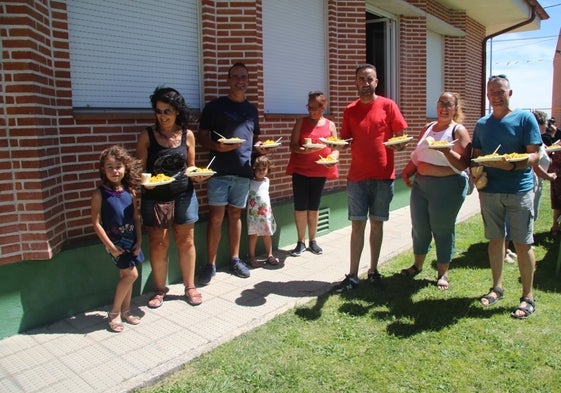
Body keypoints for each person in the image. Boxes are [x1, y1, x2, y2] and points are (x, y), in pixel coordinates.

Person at [334, 64, 408, 293]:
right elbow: (345, 140)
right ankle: (353, 275)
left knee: (377, 224)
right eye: (361, 80)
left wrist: (400, 144)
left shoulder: (388, 105)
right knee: (357, 225)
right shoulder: (350, 110)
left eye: (369, 79)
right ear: (355, 83)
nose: (365, 84)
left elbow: (401, 137)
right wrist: (333, 145)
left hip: (383, 175)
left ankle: (373, 270)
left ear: (376, 82)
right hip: (356, 177)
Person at [472, 74, 541, 319]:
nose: (496, 96)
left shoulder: (524, 118)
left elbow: (535, 155)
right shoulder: (482, 124)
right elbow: (477, 155)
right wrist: (474, 173)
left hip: (519, 190)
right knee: (495, 240)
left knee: (523, 243)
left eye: (500, 91)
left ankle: (528, 297)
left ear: (509, 93)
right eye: (491, 92)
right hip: (490, 190)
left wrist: (513, 164)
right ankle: (497, 288)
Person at [197, 62, 269, 284]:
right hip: (218, 171)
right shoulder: (215, 107)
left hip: (242, 171)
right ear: (228, 80)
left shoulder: (251, 110)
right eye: (236, 77)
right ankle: (211, 264)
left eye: (244, 77)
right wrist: (217, 146)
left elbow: (254, 139)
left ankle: (236, 259)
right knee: (217, 217)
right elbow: (201, 136)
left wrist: (261, 148)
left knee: (236, 216)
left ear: (248, 81)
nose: (240, 80)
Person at [137, 86, 206, 309]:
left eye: (167, 111)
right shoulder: (147, 136)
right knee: (158, 244)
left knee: (185, 241)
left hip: (184, 195)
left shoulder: (188, 135)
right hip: (154, 198)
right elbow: (140, 170)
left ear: (177, 112)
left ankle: (190, 287)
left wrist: (198, 177)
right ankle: (160, 290)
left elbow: (191, 168)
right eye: (158, 111)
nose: (162, 116)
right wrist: (142, 180)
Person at [400, 92, 471, 290]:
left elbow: (464, 163)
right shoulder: (427, 128)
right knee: (420, 226)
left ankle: (443, 273)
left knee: (442, 228)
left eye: (449, 104)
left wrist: (446, 151)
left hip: (448, 187)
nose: (444, 108)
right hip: (421, 186)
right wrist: (406, 173)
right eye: (441, 103)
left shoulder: (458, 131)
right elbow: (417, 156)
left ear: (455, 108)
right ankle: (417, 265)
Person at [91, 145, 144, 332]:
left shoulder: (130, 191)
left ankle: (126, 311)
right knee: (132, 275)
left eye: (118, 166)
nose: (115, 171)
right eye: (110, 167)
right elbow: (96, 223)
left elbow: (136, 218)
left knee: (126, 276)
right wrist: (111, 247)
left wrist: (139, 241)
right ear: (103, 170)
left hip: (131, 241)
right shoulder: (99, 194)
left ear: (125, 168)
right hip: (115, 244)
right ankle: (114, 313)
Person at [286, 91, 339, 257]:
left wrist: (332, 158)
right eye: (309, 107)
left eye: (314, 108)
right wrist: (303, 151)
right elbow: (293, 145)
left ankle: (313, 241)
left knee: (314, 206)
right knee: (300, 206)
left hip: (320, 170)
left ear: (323, 107)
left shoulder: (330, 125)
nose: (310, 111)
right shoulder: (301, 122)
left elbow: (335, 148)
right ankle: (300, 242)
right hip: (300, 170)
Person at [247, 155, 279, 267]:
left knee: (266, 234)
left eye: (264, 169)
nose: (261, 171)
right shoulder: (250, 182)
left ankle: (269, 255)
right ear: (254, 169)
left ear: (268, 170)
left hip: (265, 213)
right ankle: (251, 257)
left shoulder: (267, 180)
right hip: (253, 213)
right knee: (253, 234)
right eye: (258, 169)